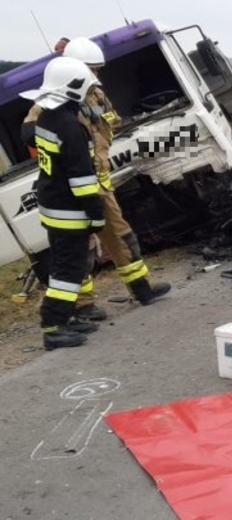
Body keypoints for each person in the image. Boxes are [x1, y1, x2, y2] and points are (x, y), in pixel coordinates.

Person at [22, 37, 171, 323]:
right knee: (81, 248)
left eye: (98, 69)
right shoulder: (56, 102)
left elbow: (109, 123)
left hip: (100, 183)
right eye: (93, 69)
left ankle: (142, 289)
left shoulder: (97, 94)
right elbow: (29, 132)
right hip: (75, 186)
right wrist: (66, 131)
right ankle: (83, 305)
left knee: (121, 235)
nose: (97, 75)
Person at [19, 57, 104, 350]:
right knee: (69, 271)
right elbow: (81, 179)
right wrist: (96, 214)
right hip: (69, 210)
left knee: (64, 266)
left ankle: (65, 318)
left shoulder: (46, 118)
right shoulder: (69, 126)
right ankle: (53, 326)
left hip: (52, 204)